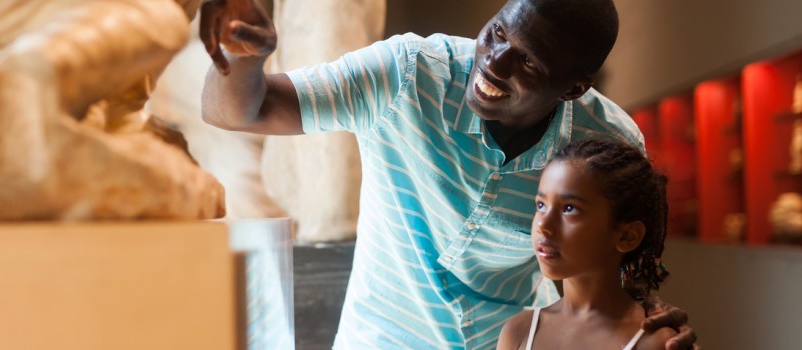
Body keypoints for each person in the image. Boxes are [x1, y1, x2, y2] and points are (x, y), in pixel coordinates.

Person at [199, 0, 698, 348]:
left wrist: (642, 313)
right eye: (499, 32)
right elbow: (241, 110)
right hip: (381, 340)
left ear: (574, 88)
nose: (495, 63)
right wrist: (243, 59)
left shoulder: (606, 139)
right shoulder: (407, 74)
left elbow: (620, 244)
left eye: (526, 60)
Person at [496, 139, 676, 350]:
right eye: (541, 205)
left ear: (627, 236)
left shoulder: (656, 343)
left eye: (569, 208)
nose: (543, 225)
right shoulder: (519, 333)